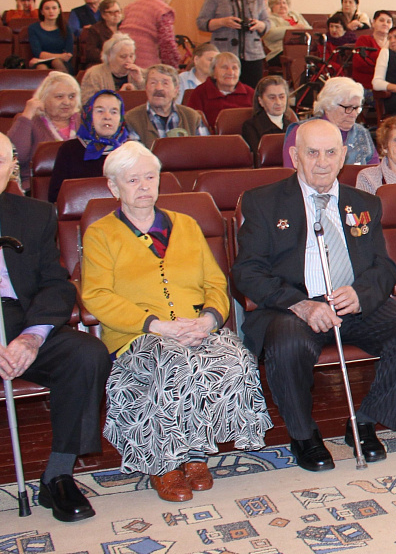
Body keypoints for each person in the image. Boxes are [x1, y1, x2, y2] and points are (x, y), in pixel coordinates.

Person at [235, 119, 396, 469]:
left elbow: (383, 267)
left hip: (351, 303)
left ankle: (365, 422)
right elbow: (246, 272)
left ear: (343, 156)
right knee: (289, 345)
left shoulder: (364, 203)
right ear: (295, 156)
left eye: (330, 153)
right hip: (293, 306)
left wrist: (360, 294)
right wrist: (302, 305)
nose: (322, 162)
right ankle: (304, 434)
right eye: (312, 153)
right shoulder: (262, 202)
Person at [80, 142, 270, 502]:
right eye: (132, 179)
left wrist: (209, 320)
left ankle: (196, 454)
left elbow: (216, 282)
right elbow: (97, 296)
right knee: (175, 363)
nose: (143, 186)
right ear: (113, 187)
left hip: (193, 327)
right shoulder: (101, 234)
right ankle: (163, 463)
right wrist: (156, 325)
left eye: (149, 177)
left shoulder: (185, 225)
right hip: (136, 336)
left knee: (235, 358)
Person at [0, 132, 109, 522]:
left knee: (86, 353)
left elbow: (56, 284)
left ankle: (59, 474)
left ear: (12, 168)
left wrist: (31, 337)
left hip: (25, 321)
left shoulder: (33, 215)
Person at [196, 0, 270, 88]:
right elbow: (202, 22)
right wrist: (223, 22)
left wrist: (259, 25)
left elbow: (267, 24)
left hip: (253, 55)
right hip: (224, 55)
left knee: (252, 94)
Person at [47, 90, 130, 204]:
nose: (107, 117)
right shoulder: (69, 150)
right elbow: (55, 196)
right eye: (100, 111)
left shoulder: (130, 151)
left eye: (114, 112)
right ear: (88, 115)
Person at [283, 77, 378, 168]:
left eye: (357, 108)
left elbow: (375, 173)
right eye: (348, 108)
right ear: (328, 106)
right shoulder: (302, 131)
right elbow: (291, 173)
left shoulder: (362, 133)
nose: (353, 114)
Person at [10, 72, 80, 188]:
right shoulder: (29, 120)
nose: (67, 102)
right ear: (43, 98)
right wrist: (27, 113)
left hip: (76, 188)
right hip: (36, 189)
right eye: (59, 96)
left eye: (72, 96)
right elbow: (16, 157)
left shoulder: (83, 121)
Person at [122, 65, 209, 147]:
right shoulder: (131, 119)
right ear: (146, 88)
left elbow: (204, 153)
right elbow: (135, 157)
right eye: (153, 83)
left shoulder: (193, 117)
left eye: (165, 83)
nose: (159, 88)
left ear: (176, 90)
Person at [119, 0, 181, 70]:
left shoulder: (131, 6)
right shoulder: (163, 10)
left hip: (124, 61)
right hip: (146, 64)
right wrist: (173, 67)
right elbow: (167, 43)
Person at [185, 53, 256, 127]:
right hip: (211, 138)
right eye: (224, 67)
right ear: (213, 72)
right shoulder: (200, 92)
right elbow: (191, 123)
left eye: (234, 68)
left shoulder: (250, 93)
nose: (230, 72)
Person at [80, 32, 145, 104]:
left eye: (131, 56)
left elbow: (150, 103)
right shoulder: (94, 75)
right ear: (109, 57)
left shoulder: (140, 73)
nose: (129, 60)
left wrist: (140, 82)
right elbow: (87, 105)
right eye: (123, 56)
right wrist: (119, 96)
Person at [241, 75, 297, 155]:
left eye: (281, 97)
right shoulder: (251, 126)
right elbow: (258, 158)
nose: (278, 102)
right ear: (260, 101)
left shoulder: (293, 126)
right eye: (272, 98)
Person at [26, 0, 74, 72]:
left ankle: (65, 83)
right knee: (41, 67)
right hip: (40, 62)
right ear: (42, 12)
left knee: (56, 62)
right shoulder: (33, 28)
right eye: (47, 8)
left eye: (54, 8)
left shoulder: (66, 28)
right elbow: (38, 53)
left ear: (59, 11)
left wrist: (56, 57)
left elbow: (68, 54)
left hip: (62, 63)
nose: (51, 11)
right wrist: (60, 56)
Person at [263, 0, 309, 67]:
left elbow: (310, 29)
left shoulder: (296, 15)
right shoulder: (269, 19)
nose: (282, 6)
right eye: (278, 3)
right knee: (301, 55)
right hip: (279, 52)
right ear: (272, 6)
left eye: (284, 3)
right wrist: (293, 28)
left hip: (302, 48)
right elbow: (270, 33)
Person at [352, 10, 395, 90]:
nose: (385, 24)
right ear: (373, 23)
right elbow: (360, 64)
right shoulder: (364, 40)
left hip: (391, 85)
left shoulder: (394, 43)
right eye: (381, 20)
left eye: (388, 22)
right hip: (367, 86)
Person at [77, 0, 122, 69]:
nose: (116, 15)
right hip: (102, 63)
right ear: (103, 15)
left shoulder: (125, 27)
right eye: (111, 12)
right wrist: (111, 58)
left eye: (118, 11)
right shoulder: (95, 29)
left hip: (123, 62)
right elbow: (91, 52)